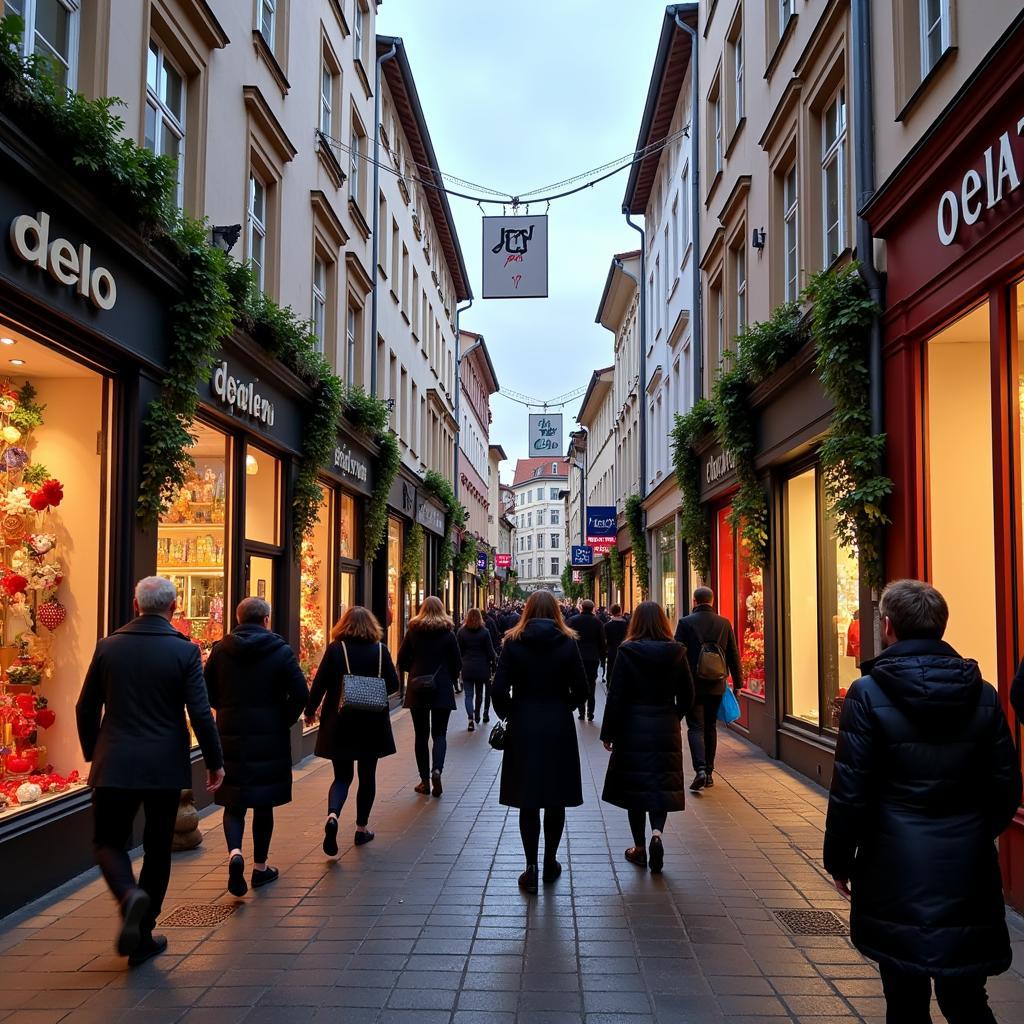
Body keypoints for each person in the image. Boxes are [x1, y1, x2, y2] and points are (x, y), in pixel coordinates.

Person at [824, 580, 1022, 1024]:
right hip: (965, 866)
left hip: (892, 866)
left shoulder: (868, 693)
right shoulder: (983, 693)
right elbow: (1006, 786)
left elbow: (850, 788)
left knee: (904, 996)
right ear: (940, 626)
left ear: (888, 626)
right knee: (967, 996)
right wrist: (971, 828)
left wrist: (840, 858)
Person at [75, 577, 224, 966]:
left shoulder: (108, 647)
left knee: (108, 841)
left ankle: (128, 895)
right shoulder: (184, 651)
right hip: (164, 765)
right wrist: (215, 761)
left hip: (115, 762)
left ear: (135, 604)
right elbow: (200, 711)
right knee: (159, 847)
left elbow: (84, 706)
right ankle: (143, 931)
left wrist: (94, 751)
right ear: (173, 607)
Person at [204, 597, 308, 897]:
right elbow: (301, 692)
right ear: (266, 620)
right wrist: (282, 719)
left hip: (230, 733)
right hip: (270, 736)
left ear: (238, 619)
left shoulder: (221, 650)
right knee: (263, 803)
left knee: (233, 802)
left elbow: (206, 690)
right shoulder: (280, 651)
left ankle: (235, 853)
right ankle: (260, 867)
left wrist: (224, 709)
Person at [491, 591, 588, 893]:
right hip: (558, 725)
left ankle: (530, 865)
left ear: (528, 610)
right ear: (557, 611)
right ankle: (550, 862)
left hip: (524, 725)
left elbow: (498, 690)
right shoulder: (568, 642)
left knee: (528, 797)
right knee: (555, 796)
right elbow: (583, 688)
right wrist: (565, 706)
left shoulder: (513, 642)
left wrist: (512, 712)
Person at [600, 602, 693, 874]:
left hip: (632, 727)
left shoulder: (627, 652)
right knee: (660, 785)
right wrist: (675, 715)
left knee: (635, 789)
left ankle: (639, 848)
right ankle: (657, 835)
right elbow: (688, 694)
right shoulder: (677, 652)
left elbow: (615, 696)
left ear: (636, 622)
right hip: (665, 725)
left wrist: (609, 733)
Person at [305, 606, 400, 854]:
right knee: (367, 775)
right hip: (371, 722)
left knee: (342, 776)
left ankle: (333, 816)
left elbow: (321, 683)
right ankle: (361, 828)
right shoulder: (381, 650)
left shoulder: (337, 650)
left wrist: (310, 710)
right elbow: (393, 684)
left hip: (341, 722)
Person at [674, 587, 742, 791]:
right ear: (712, 601)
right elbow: (733, 654)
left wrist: (675, 683)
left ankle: (700, 769)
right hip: (717, 683)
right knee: (711, 726)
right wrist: (738, 683)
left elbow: (677, 654)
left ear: (694, 601)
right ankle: (710, 773)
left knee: (695, 727)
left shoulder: (685, 623)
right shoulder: (724, 623)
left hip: (692, 684)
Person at [397, 596, 461, 797]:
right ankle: (437, 770)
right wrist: (448, 677)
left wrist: (415, 671)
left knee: (421, 735)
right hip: (441, 688)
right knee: (440, 733)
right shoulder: (448, 634)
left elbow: (401, 659)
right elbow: (457, 663)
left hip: (418, 688)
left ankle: (424, 780)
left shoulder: (413, 632)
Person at [457, 607, 497, 730]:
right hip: (481, 668)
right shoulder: (484, 632)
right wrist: (494, 662)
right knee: (479, 693)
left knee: (468, 695)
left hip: (467, 667)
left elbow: (459, 651)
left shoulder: (461, 632)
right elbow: (490, 652)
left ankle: (470, 719)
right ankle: (478, 714)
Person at [573, 599, 607, 721]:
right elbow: (602, 642)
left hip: (577, 657)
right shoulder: (597, 622)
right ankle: (590, 713)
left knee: (579, 684)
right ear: (593, 608)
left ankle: (581, 711)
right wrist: (603, 659)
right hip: (593, 657)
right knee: (591, 686)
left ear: (581, 607)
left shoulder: (573, 620)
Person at [603, 604, 628, 684]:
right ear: (620, 611)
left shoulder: (607, 625)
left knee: (610, 667)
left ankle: (609, 682)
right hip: (623, 649)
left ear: (611, 612)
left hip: (612, 650)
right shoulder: (625, 624)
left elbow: (605, 639)